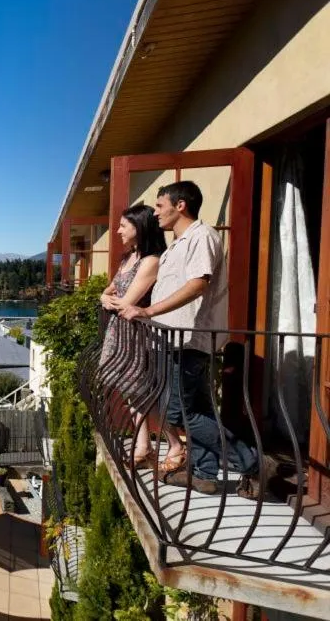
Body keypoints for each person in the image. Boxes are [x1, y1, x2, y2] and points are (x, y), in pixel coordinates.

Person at [120, 181, 275, 498]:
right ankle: (204, 474)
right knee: (198, 409)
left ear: (180, 206)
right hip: (174, 341)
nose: (156, 212)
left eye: (160, 205)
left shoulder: (202, 237)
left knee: (180, 413)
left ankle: (254, 462)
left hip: (188, 341)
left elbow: (197, 285)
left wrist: (148, 312)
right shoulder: (178, 243)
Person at [98, 204, 167, 469]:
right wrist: (105, 297)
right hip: (119, 331)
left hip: (137, 334)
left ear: (139, 228)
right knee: (129, 391)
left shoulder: (151, 261)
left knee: (138, 391)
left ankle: (161, 444)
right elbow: (108, 292)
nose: (117, 231)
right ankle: (144, 446)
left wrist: (108, 300)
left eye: (123, 226)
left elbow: (126, 301)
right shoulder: (129, 259)